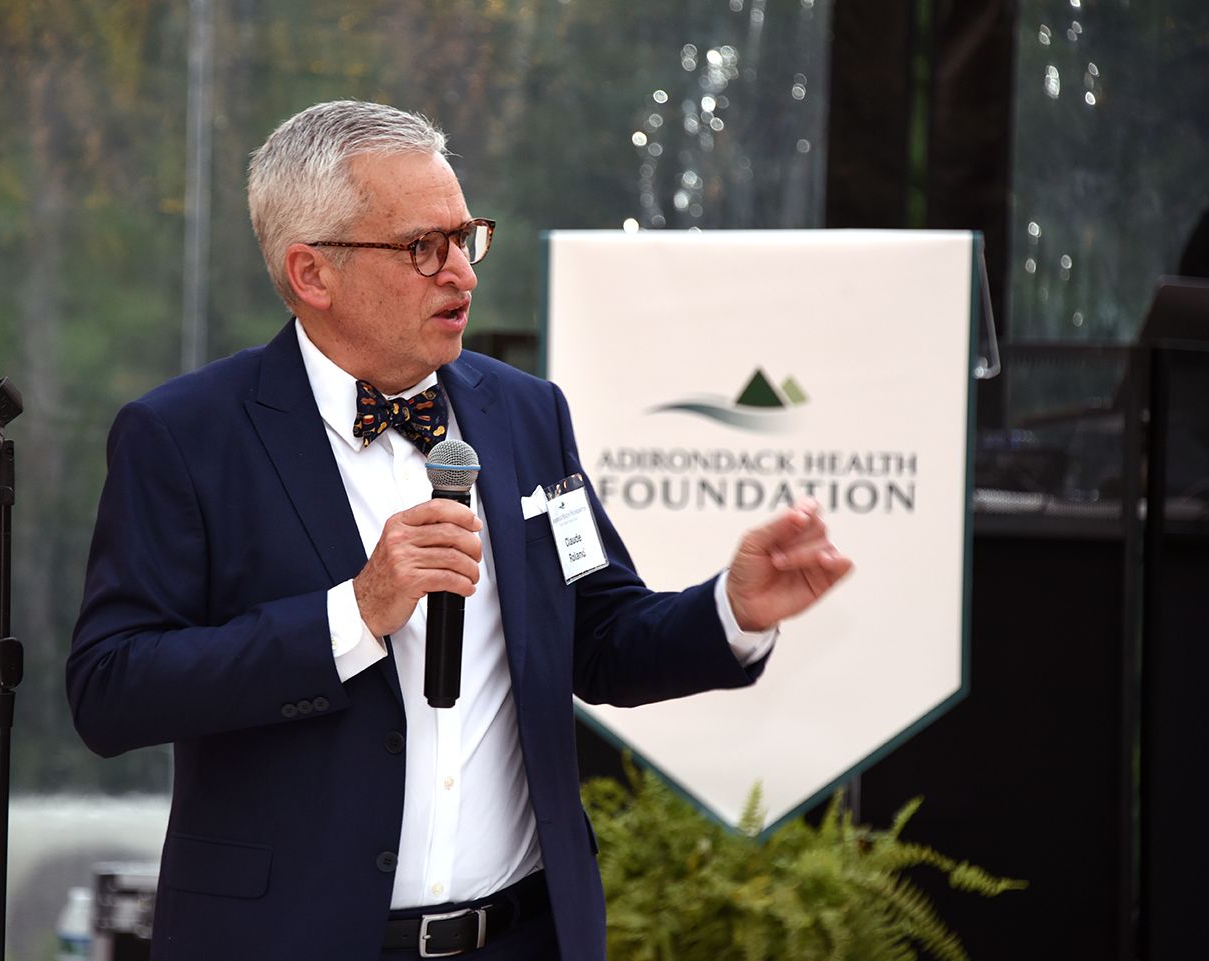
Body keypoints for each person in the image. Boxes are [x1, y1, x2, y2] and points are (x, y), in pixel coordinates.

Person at [67, 100, 852, 961]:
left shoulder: (523, 412)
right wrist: (354, 613)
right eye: (421, 247)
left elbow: (598, 635)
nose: (462, 275)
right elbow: (112, 688)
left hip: (521, 936)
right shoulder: (185, 435)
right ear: (310, 273)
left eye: (466, 237)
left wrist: (731, 609)